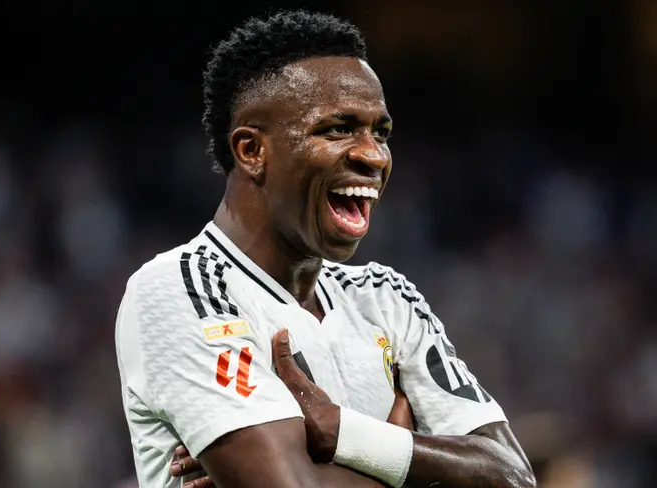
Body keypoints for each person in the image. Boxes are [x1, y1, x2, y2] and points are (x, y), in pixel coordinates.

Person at [115, 9, 535, 488]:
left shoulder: (388, 299)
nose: (373, 155)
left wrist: (341, 433)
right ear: (252, 151)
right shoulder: (181, 288)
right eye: (338, 129)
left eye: (381, 132)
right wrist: (406, 452)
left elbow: (512, 475)